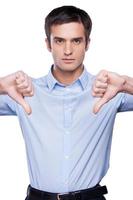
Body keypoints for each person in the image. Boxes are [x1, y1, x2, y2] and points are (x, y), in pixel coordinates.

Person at [1, 5, 133, 200]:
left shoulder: (110, 89)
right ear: (48, 44)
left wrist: (126, 83)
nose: (68, 50)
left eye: (76, 41)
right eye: (60, 41)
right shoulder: (23, 91)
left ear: (87, 43)